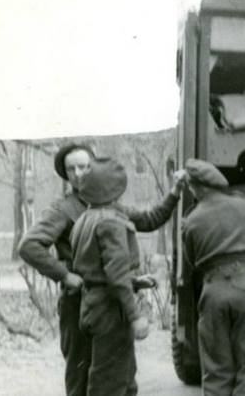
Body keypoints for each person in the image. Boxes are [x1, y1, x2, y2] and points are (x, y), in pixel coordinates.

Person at [18, 143, 184, 396]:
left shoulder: (109, 205)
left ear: (94, 167)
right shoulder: (62, 209)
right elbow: (29, 246)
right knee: (80, 375)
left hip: (107, 299)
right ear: (65, 174)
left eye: (84, 166)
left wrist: (174, 194)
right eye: (71, 168)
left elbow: (149, 220)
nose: (78, 173)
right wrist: (65, 274)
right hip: (77, 302)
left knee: (115, 376)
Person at [181, 158, 245, 396]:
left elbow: (191, 263)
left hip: (213, 290)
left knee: (216, 372)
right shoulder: (244, 206)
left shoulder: (191, 220)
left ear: (196, 187)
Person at [68, 157, 153, 396]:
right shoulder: (111, 221)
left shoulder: (84, 219)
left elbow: (96, 269)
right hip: (110, 311)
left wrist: (135, 281)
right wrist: (135, 316)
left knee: (123, 380)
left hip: (92, 305)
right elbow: (115, 276)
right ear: (114, 190)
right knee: (108, 385)